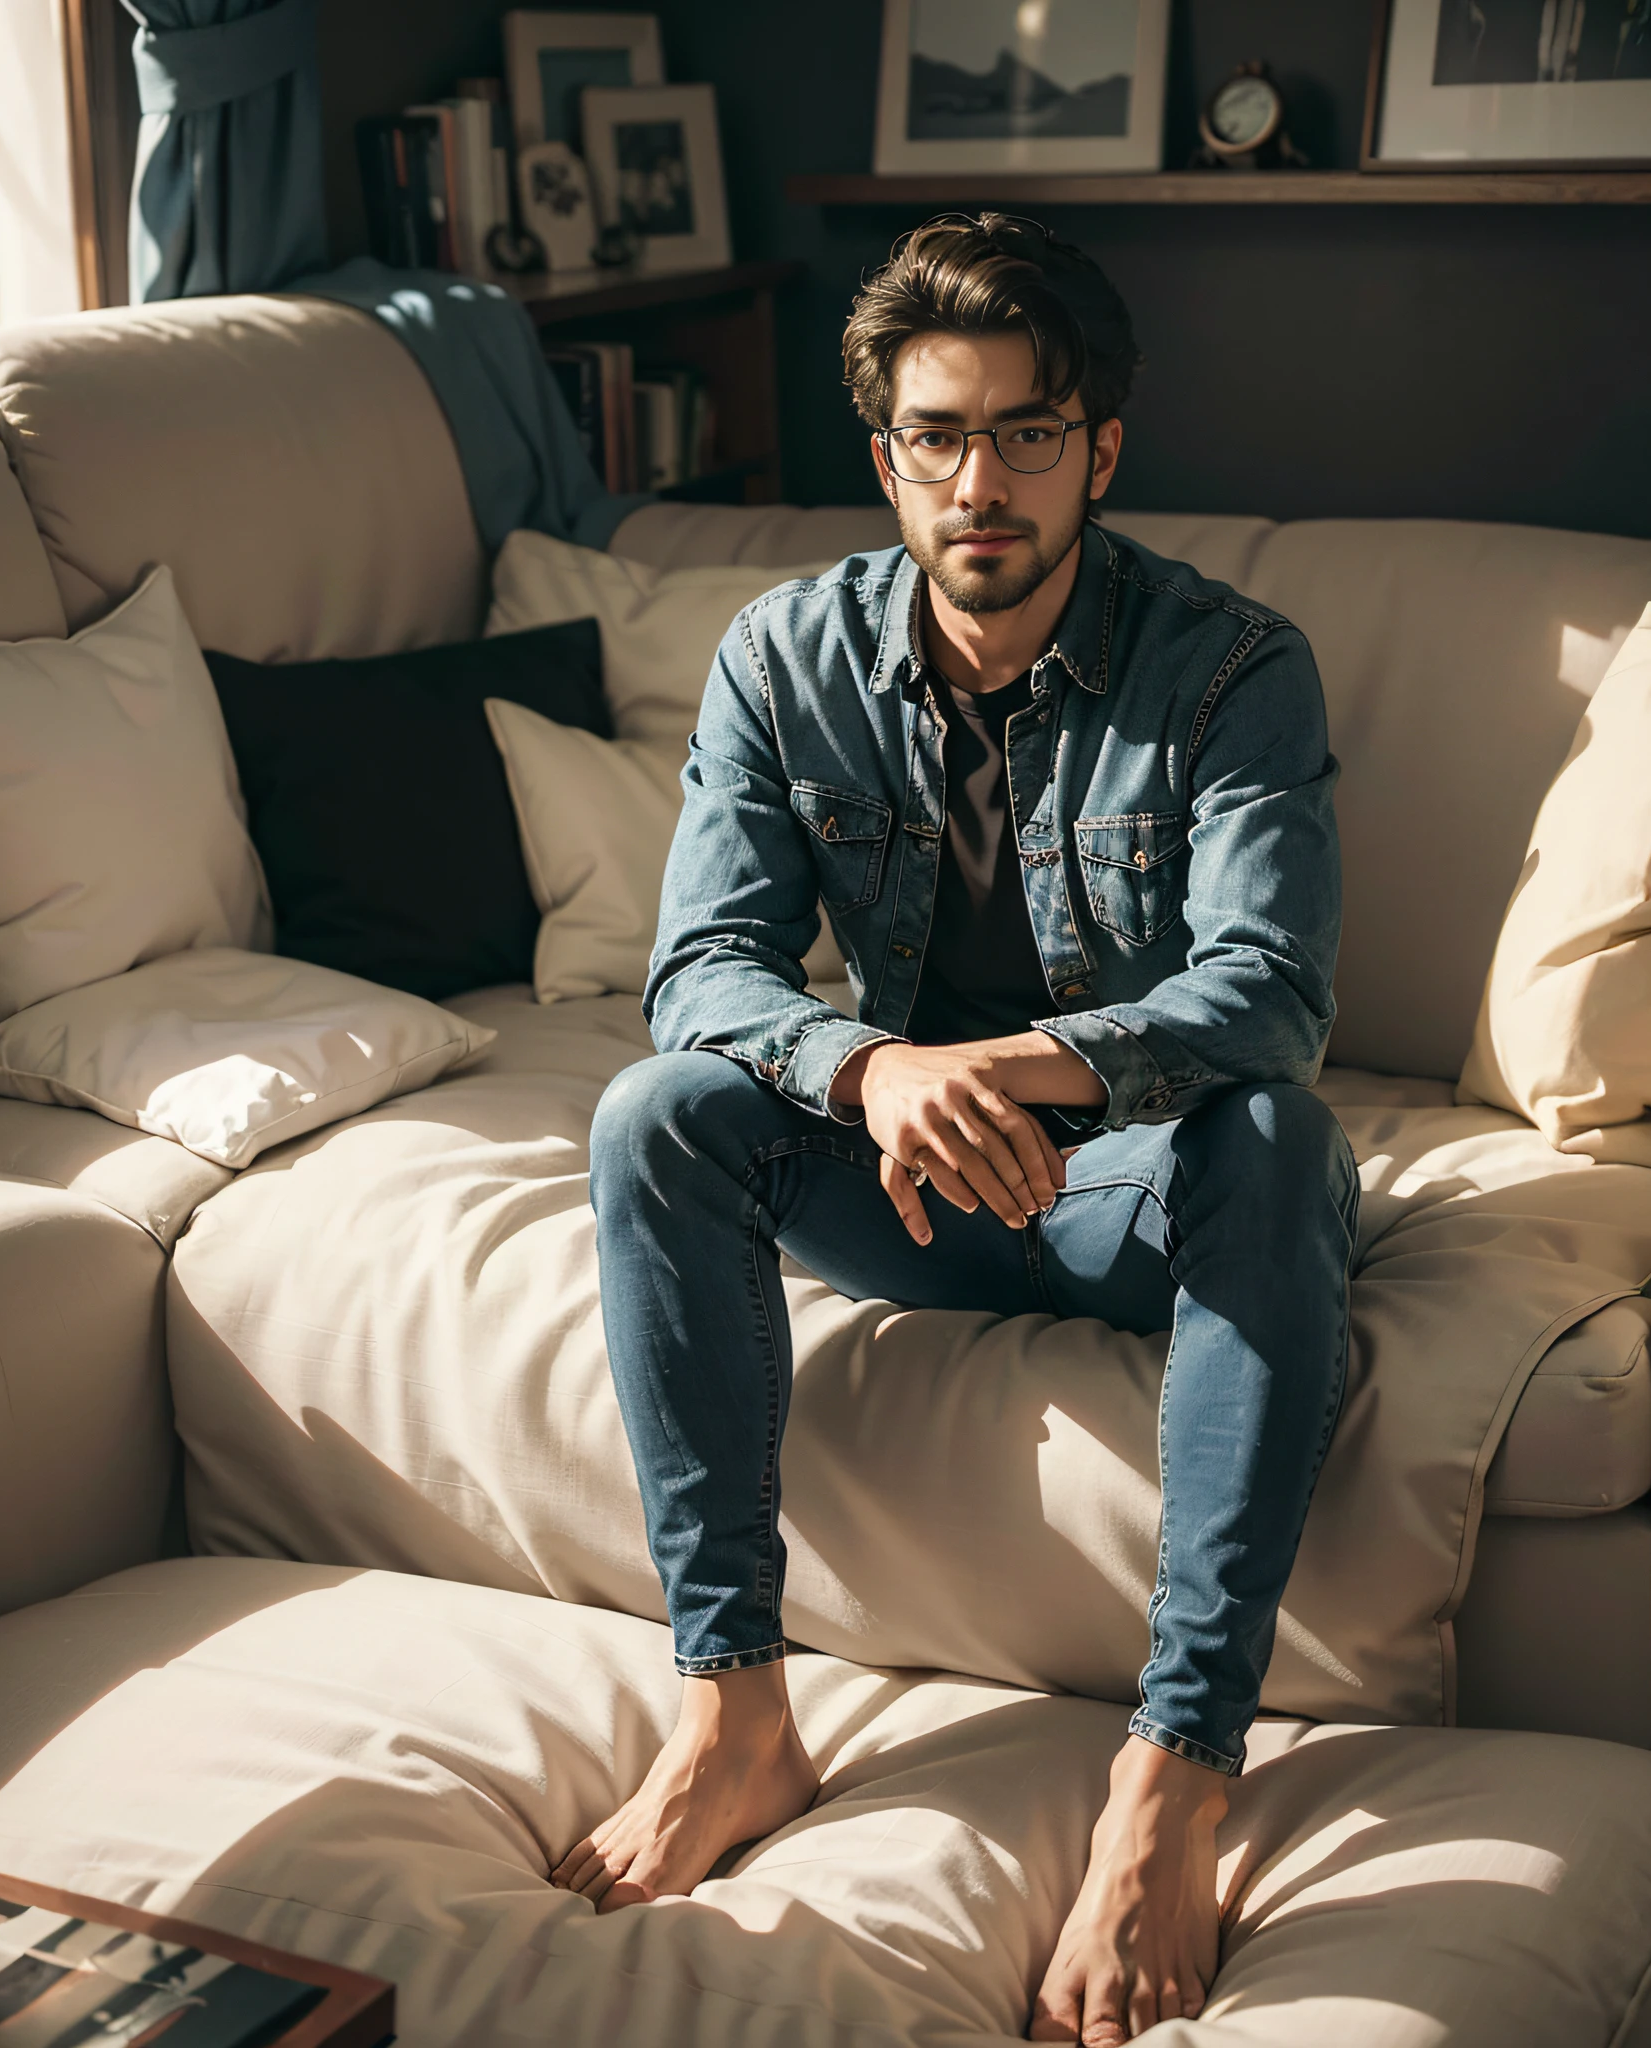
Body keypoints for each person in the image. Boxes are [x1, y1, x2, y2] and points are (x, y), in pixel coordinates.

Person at [562, 212, 1358, 2047]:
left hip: (1132, 1185)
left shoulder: (1236, 668)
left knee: (1287, 1146)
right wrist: (868, 1073)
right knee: (655, 1118)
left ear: (1102, 451)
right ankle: (735, 1716)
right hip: (904, 1181)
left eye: (1026, 432)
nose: (979, 480)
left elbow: (1271, 994)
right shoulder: (785, 656)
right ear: (885, 453)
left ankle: (1173, 1783)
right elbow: (702, 977)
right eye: (939, 433)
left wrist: (1002, 1066)